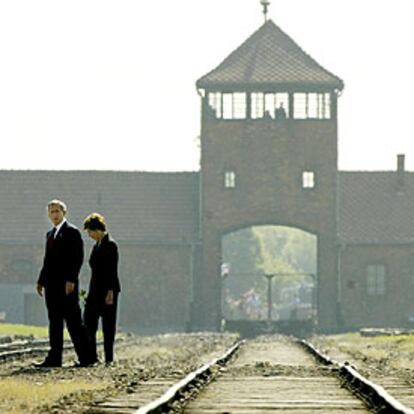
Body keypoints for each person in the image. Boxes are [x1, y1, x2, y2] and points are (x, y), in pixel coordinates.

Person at [36, 199, 93, 367]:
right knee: (54, 322)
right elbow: (48, 261)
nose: (54, 215)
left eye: (57, 211)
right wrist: (41, 281)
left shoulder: (72, 232)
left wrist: (71, 279)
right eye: (51, 212)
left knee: (73, 321)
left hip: (66, 286)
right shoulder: (50, 235)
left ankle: (87, 358)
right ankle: (54, 359)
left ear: (64, 213)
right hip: (51, 286)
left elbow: (77, 258)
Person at [83, 213, 121, 365]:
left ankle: (109, 358)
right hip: (95, 290)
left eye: (90, 232)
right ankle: (91, 356)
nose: (89, 235)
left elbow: (112, 269)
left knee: (108, 325)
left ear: (97, 229)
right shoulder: (96, 246)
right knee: (88, 322)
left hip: (107, 291)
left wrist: (110, 292)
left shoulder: (110, 245)